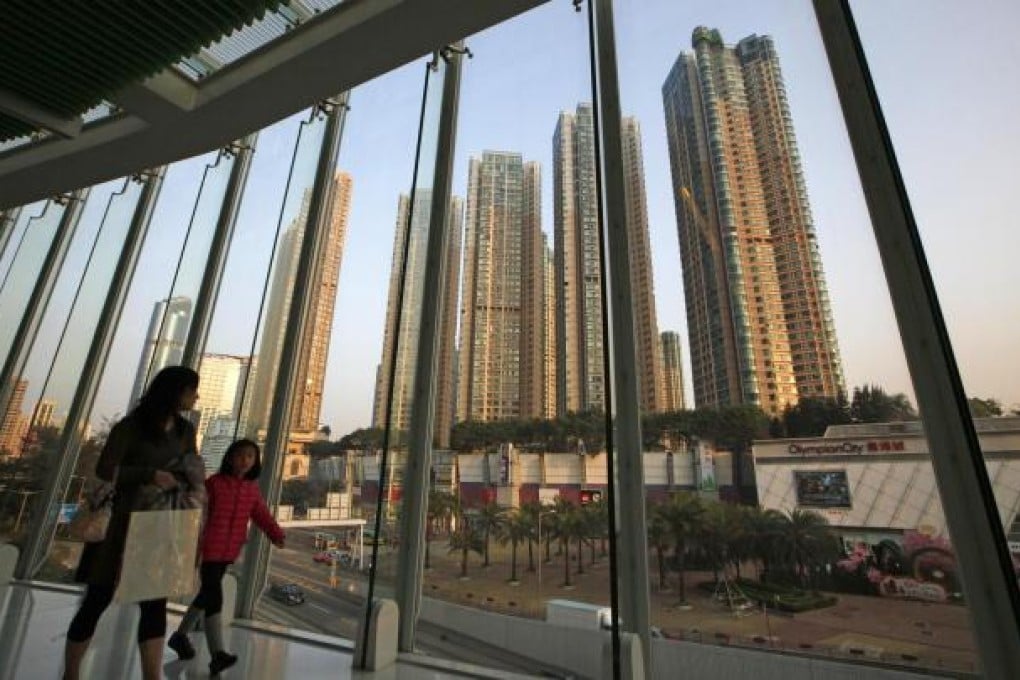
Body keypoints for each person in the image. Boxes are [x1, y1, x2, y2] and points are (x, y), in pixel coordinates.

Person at [64, 366, 201, 680]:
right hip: (120, 524)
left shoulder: (185, 431)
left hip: (157, 525)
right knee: (97, 599)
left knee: (154, 604)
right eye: (192, 389)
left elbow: (190, 469)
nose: (196, 396)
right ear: (175, 391)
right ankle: (71, 673)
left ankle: (151, 676)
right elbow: (105, 469)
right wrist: (149, 474)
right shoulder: (131, 426)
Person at [168, 438, 285, 675]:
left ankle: (179, 636)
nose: (245, 460)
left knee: (206, 595)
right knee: (214, 596)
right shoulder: (214, 484)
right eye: (240, 455)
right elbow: (196, 510)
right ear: (230, 458)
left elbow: (261, 515)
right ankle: (217, 654)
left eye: (250, 456)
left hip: (229, 550)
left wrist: (276, 534)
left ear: (255, 462)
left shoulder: (251, 490)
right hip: (209, 548)